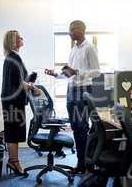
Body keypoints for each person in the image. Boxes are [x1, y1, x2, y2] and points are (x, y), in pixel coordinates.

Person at [45, 20, 100, 174]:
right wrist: (56, 74)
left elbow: (97, 71)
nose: (69, 32)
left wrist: (77, 72)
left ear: (80, 30)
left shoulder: (89, 47)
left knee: (82, 128)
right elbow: (69, 73)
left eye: (71, 30)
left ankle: (85, 164)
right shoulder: (73, 49)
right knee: (76, 128)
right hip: (71, 90)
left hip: (83, 90)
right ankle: (81, 163)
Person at [1, 30, 40, 175]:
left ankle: (13, 161)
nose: (22, 39)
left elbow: (19, 79)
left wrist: (30, 81)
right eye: (19, 37)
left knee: (13, 131)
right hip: (13, 101)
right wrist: (33, 87)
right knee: (14, 132)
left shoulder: (11, 57)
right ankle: (14, 162)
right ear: (13, 41)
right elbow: (19, 82)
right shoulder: (14, 57)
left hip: (10, 99)